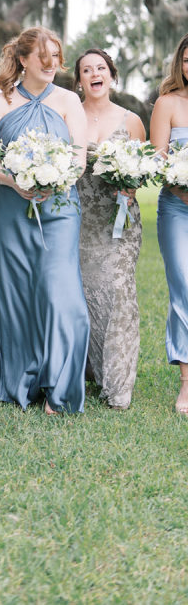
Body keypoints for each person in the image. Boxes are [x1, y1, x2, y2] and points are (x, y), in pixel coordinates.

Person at [0, 26, 89, 414]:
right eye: (43, 57)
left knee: (59, 292)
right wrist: (17, 181)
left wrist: (54, 178)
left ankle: (60, 386)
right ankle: (20, 382)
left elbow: (78, 161)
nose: (51, 65)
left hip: (60, 208)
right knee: (16, 292)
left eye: (56, 57)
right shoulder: (1, 101)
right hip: (12, 208)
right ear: (23, 60)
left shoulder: (67, 100)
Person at [74, 48, 146, 410]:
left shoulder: (131, 120)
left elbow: (143, 165)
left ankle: (118, 384)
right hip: (80, 220)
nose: (94, 74)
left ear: (111, 75)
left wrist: (131, 185)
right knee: (85, 295)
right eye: (86, 70)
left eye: (100, 67)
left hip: (120, 221)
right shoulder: (69, 116)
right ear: (80, 80)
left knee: (117, 294)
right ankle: (89, 371)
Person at [150, 32, 188, 414]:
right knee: (185, 289)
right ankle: (186, 385)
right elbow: (157, 160)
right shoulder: (167, 103)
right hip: (177, 208)